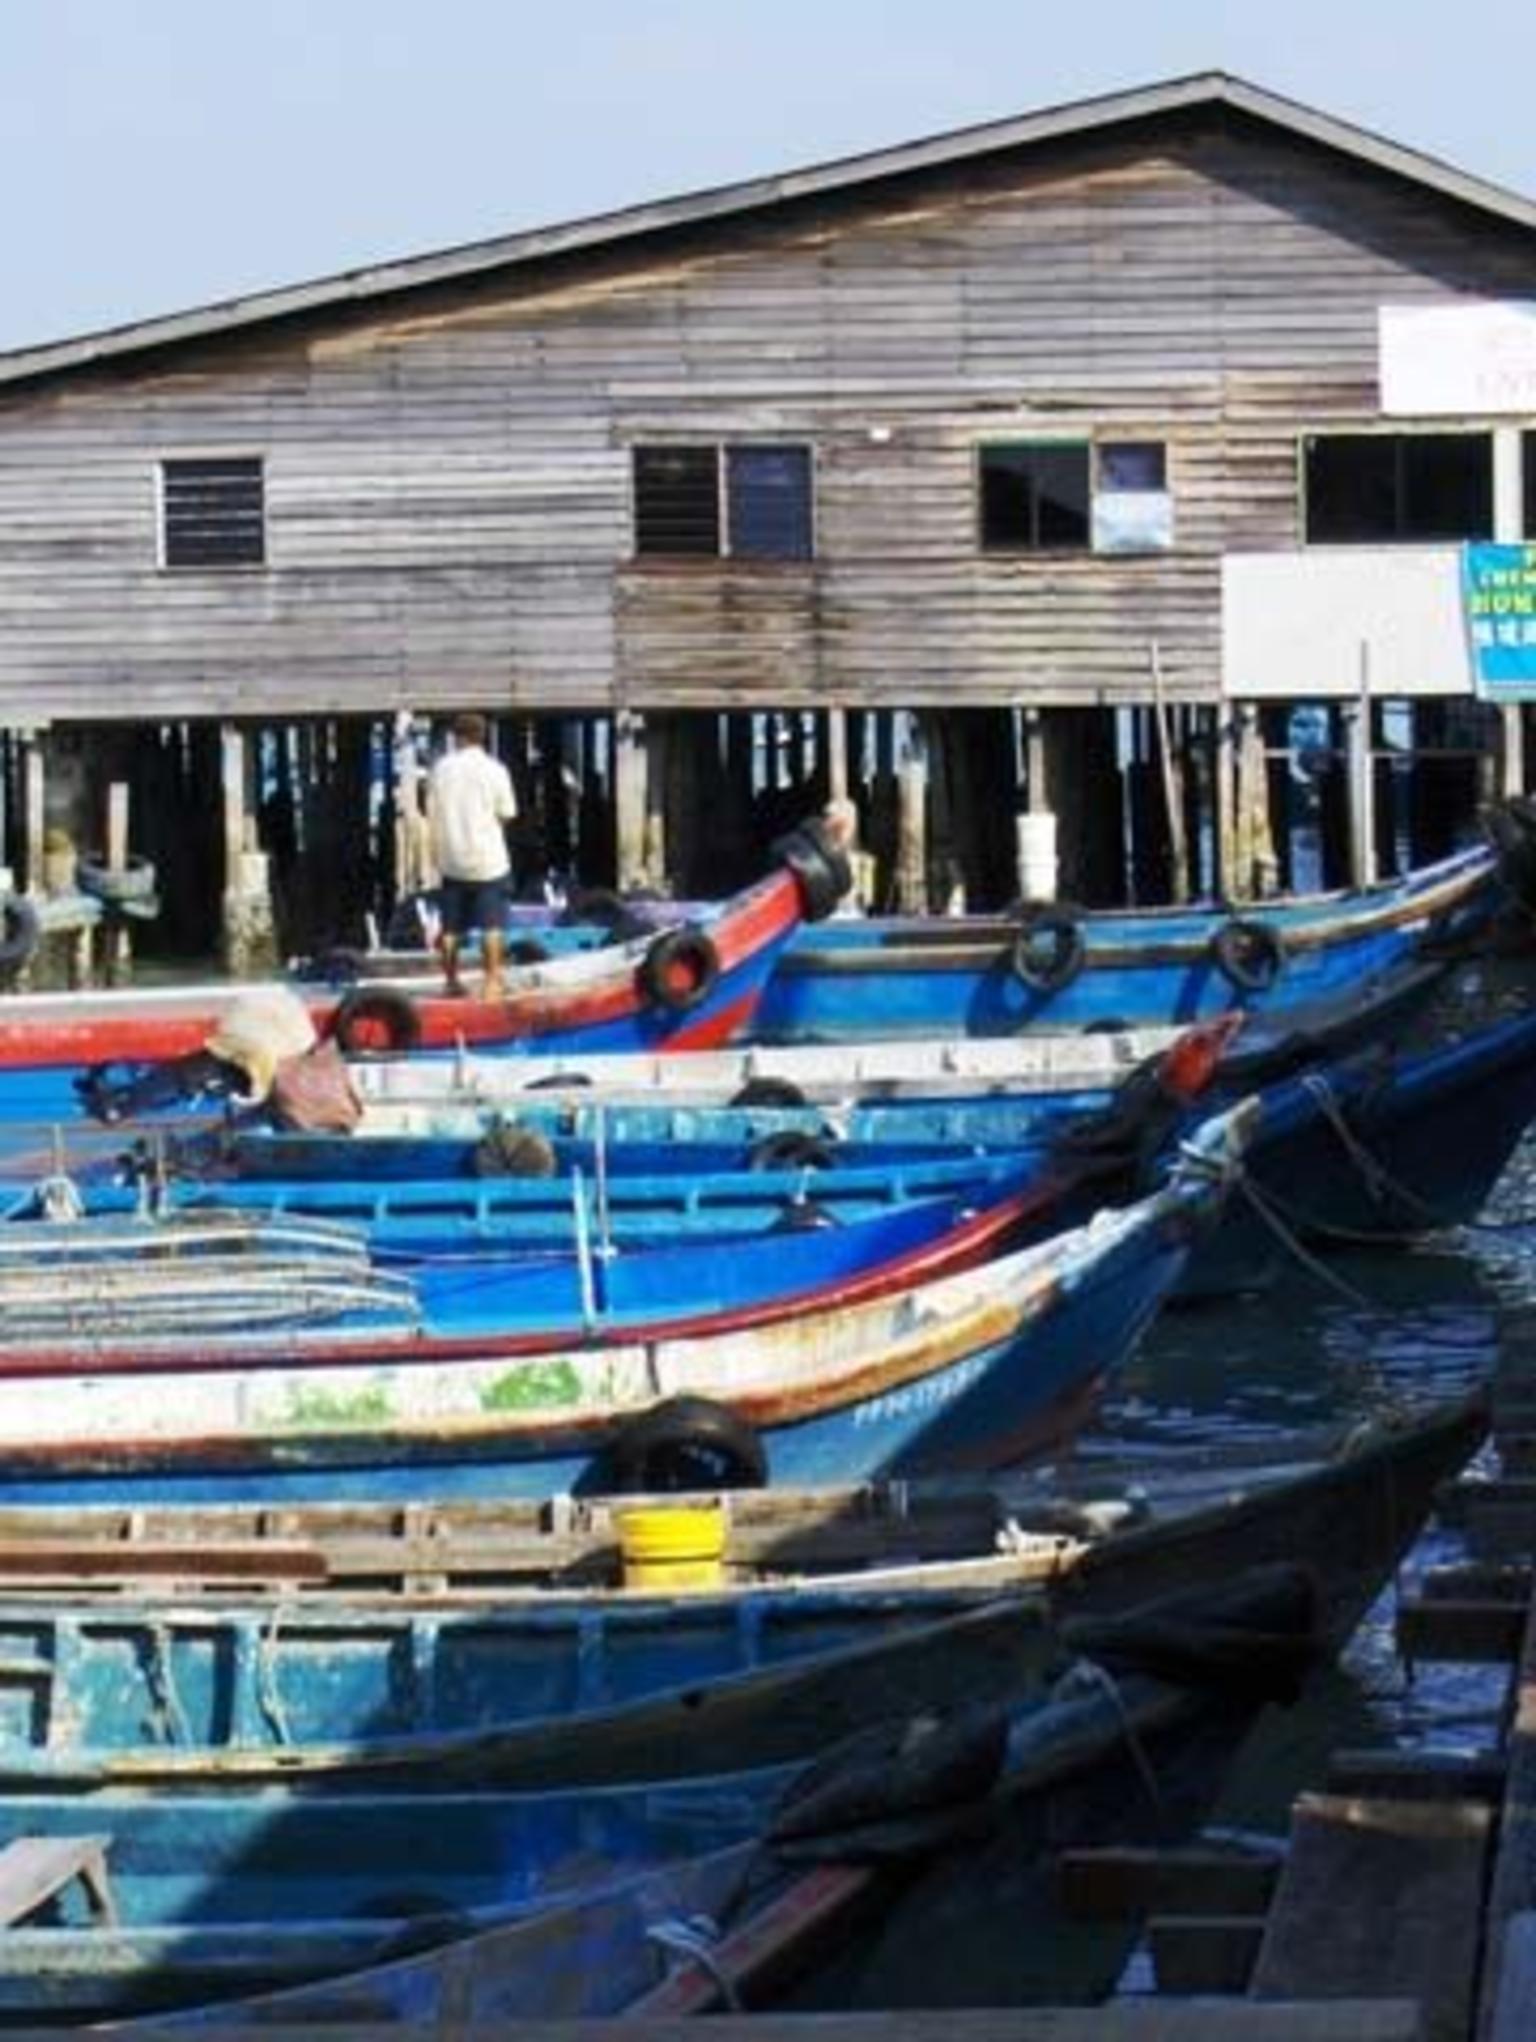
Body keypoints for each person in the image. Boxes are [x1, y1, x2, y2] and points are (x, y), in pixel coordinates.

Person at [427, 711, 517, 998]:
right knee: (492, 925)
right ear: (483, 737)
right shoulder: (495, 769)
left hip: (452, 858)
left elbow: (432, 809)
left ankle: (451, 982)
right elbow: (507, 813)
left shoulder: (440, 769)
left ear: (457, 737)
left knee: (450, 927)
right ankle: (492, 982)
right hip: (488, 860)